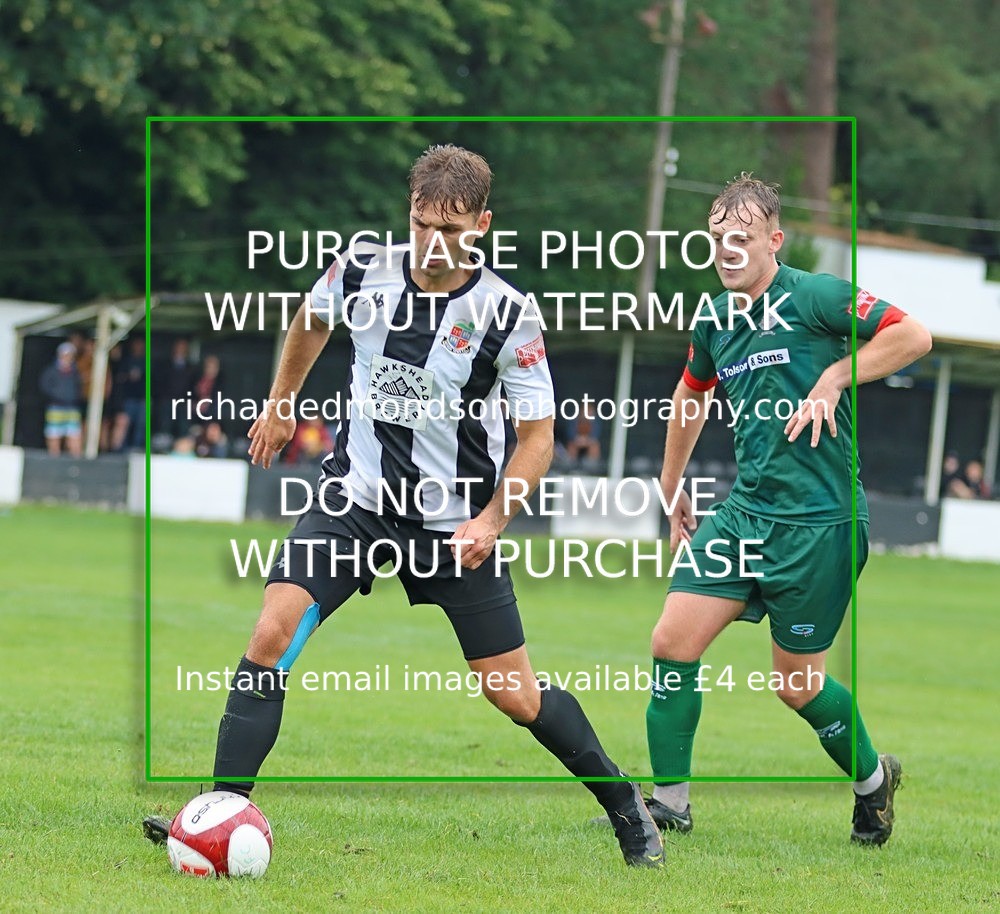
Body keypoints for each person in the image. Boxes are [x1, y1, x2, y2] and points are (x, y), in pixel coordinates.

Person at [144, 144, 664, 868]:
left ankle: (627, 808)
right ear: (409, 214)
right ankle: (217, 812)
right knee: (271, 632)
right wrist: (281, 404)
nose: (433, 244)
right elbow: (311, 319)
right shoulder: (361, 267)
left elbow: (539, 437)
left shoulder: (508, 314)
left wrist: (492, 520)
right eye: (422, 224)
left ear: (482, 224)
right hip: (355, 500)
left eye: (452, 230)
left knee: (511, 694)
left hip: (454, 524)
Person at [643, 174, 931, 846]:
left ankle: (871, 784)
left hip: (821, 522)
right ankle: (669, 805)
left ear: (774, 239)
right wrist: (671, 479)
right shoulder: (715, 317)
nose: (727, 250)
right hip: (747, 512)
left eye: (741, 238)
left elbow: (912, 336)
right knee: (671, 641)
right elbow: (692, 392)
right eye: (717, 239)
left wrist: (834, 377)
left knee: (797, 686)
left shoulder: (818, 297)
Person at [40, 342, 83, 457]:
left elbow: (79, 388)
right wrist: (57, 396)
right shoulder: (51, 370)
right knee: (54, 435)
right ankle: (54, 458)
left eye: (70, 355)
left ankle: (76, 462)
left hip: (72, 408)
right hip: (55, 407)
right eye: (65, 354)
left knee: (74, 435)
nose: (67, 357)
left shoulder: (76, 371)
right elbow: (45, 386)